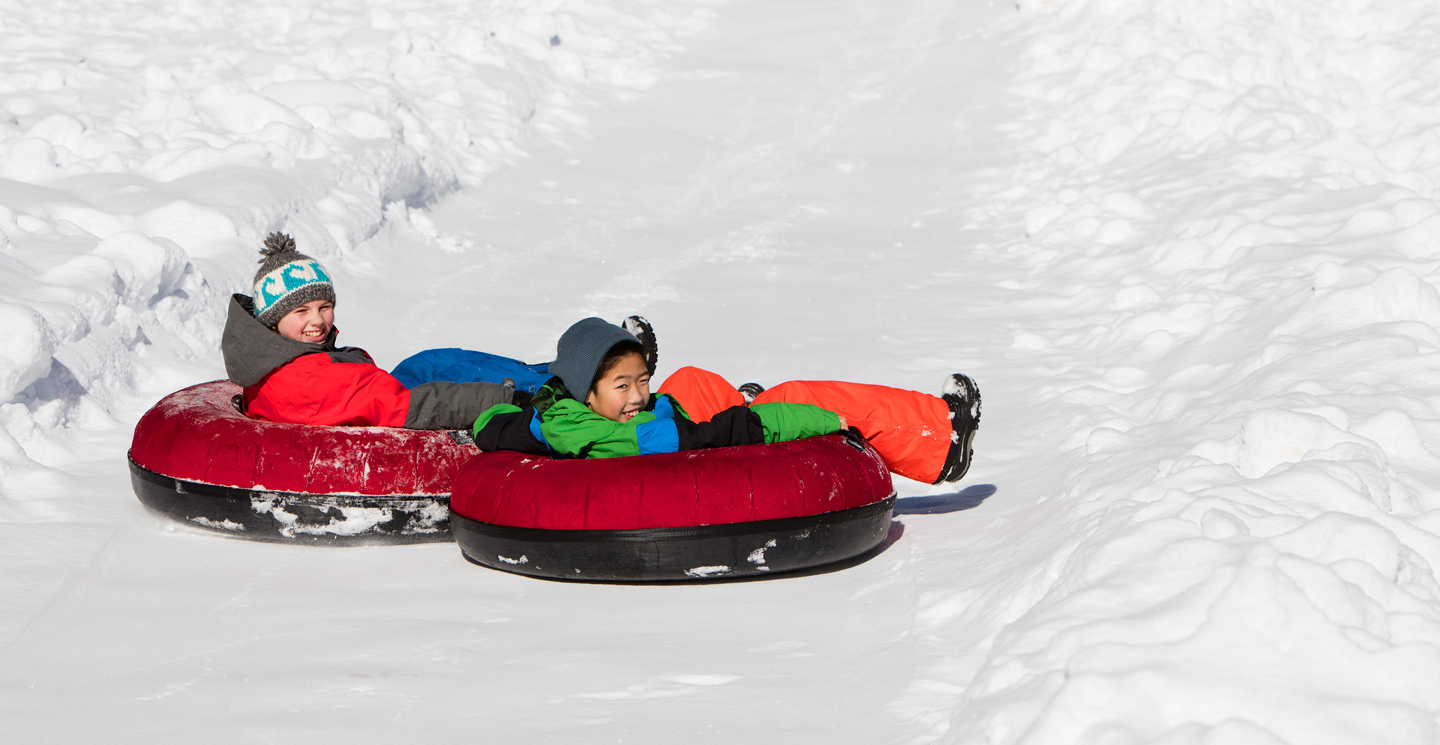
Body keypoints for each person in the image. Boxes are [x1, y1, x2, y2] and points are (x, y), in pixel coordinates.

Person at [220, 232, 657, 431]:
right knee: (459, 378)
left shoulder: (278, 358)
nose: (317, 320)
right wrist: (503, 398)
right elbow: (409, 408)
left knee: (429, 360)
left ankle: (563, 368)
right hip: (394, 408)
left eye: (325, 306)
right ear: (271, 319)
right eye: (301, 311)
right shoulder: (306, 378)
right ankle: (572, 383)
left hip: (377, 391)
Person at [473, 317, 981, 484]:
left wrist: (521, 421)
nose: (637, 394)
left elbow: (496, 421)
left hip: (663, 420)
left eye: (641, 379)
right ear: (587, 392)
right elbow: (686, 437)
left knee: (691, 379)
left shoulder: (560, 409)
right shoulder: (618, 432)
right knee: (797, 398)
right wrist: (764, 420)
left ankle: (737, 396)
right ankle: (939, 439)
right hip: (679, 435)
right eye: (623, 385)